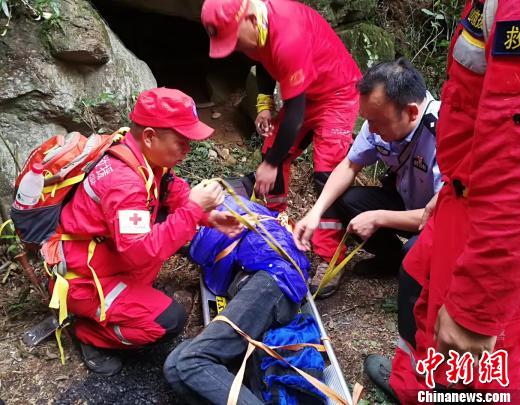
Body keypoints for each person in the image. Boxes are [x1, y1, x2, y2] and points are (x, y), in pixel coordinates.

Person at [365, 1, 520, 403]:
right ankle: (414, 387)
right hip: (463, 192)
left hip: (498, 217)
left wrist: (480, 306)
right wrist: (447, 193)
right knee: (415, 271)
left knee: (488, 357)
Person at [50, 88, 242, 375]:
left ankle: (131, 298)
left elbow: (175, 193)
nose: (186, 150)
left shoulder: (143, 158)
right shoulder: (124, 182)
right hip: (86, 278)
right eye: (181, 142)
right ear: (150, 135)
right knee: (168, 322)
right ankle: (88, 333)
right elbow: (140, 251)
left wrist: (210, 217)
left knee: (171, 228)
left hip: (109, 256)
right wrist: (192, 209)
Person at [201, 0, 361, 252]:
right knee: (272, 147)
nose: (236, 48)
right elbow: (262, 61)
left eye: (235, 40)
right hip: (305, 91)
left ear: (251, 20)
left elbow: (295, 116)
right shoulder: (258, 26)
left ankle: (329, 253)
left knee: (327, 172)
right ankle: (276, 219)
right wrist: (264, 105)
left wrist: (271, 164)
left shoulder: (288, 36)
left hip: (337, 93)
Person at [294, 58, 442, 298]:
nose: (370, 129)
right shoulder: (381, 117)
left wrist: (379, 217)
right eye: (367, 120)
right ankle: (391, 259)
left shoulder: (443, 133)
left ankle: (416, 273)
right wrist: (315, 212)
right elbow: (350, 165)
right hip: (406, 202)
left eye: (376, 122)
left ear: (411, 113)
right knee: (347, 200)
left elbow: (440, 215)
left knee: (415, 256)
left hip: (436, 222)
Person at [163, 194, 310, 404]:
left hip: (274, 281)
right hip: (266, 280)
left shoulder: (223, 217)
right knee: (174, 367)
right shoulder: (239, 210)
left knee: (192, 361)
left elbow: (217, 279)